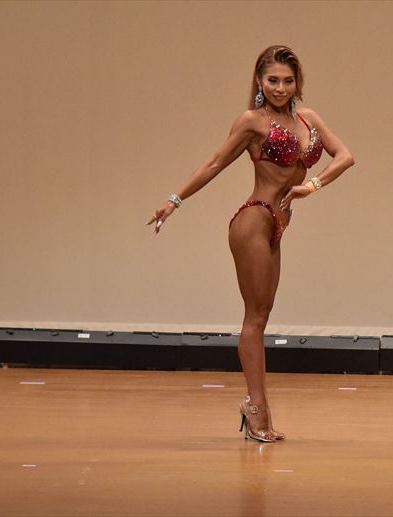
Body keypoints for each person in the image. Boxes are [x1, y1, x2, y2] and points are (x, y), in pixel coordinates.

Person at [147, 45, 354, 442]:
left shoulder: (308, 119)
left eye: (287, 80)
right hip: (254, 220)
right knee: (255, 318)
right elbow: (214, 162)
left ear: (297, 82)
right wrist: (174, 201)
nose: (280, 88)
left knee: (263, 316)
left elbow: (345, 156)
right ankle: (257, 410)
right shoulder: (252, 122)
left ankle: (257, 409)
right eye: (272, 80)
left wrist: (311, 185)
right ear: (259, 81)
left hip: (277, 224)